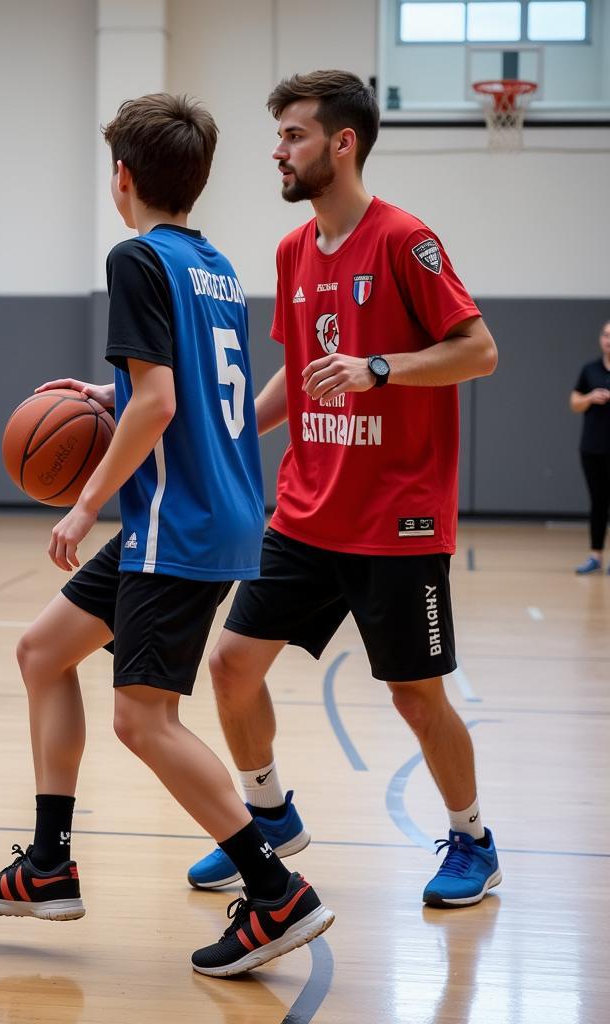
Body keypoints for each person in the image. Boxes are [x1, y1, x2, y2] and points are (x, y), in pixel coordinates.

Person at [0, 93, 333, 978]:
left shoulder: (135, 259)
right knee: (43, 652)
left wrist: (87, 500)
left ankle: (276, 893)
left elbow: (162, 401)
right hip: (218, 505)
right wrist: (104, 396)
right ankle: (49, 864)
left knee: (143, 718)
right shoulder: (213, 265)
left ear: (120, 177)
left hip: (178, 519)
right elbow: (184, 391)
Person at [187, 70, 502, 910]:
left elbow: (479, 351)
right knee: (230, 667)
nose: (278, 151)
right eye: (280, 135)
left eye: (292, 135)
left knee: (415, 696)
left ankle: (473, 838)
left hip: (397, 517)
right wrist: (228, 434)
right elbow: (298, 374)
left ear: (342, 143)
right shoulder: (293, 252)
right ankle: (269, 818)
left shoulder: (407, 241)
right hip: (305, 509)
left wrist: (379, 368)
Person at [569, 320, 610, 574]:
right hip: (593, 448)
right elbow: (574, 402)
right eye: (605, 334)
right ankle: (596, 556)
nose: (608, 339)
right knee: (598, 502)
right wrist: (590, 398)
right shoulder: (590, 370)